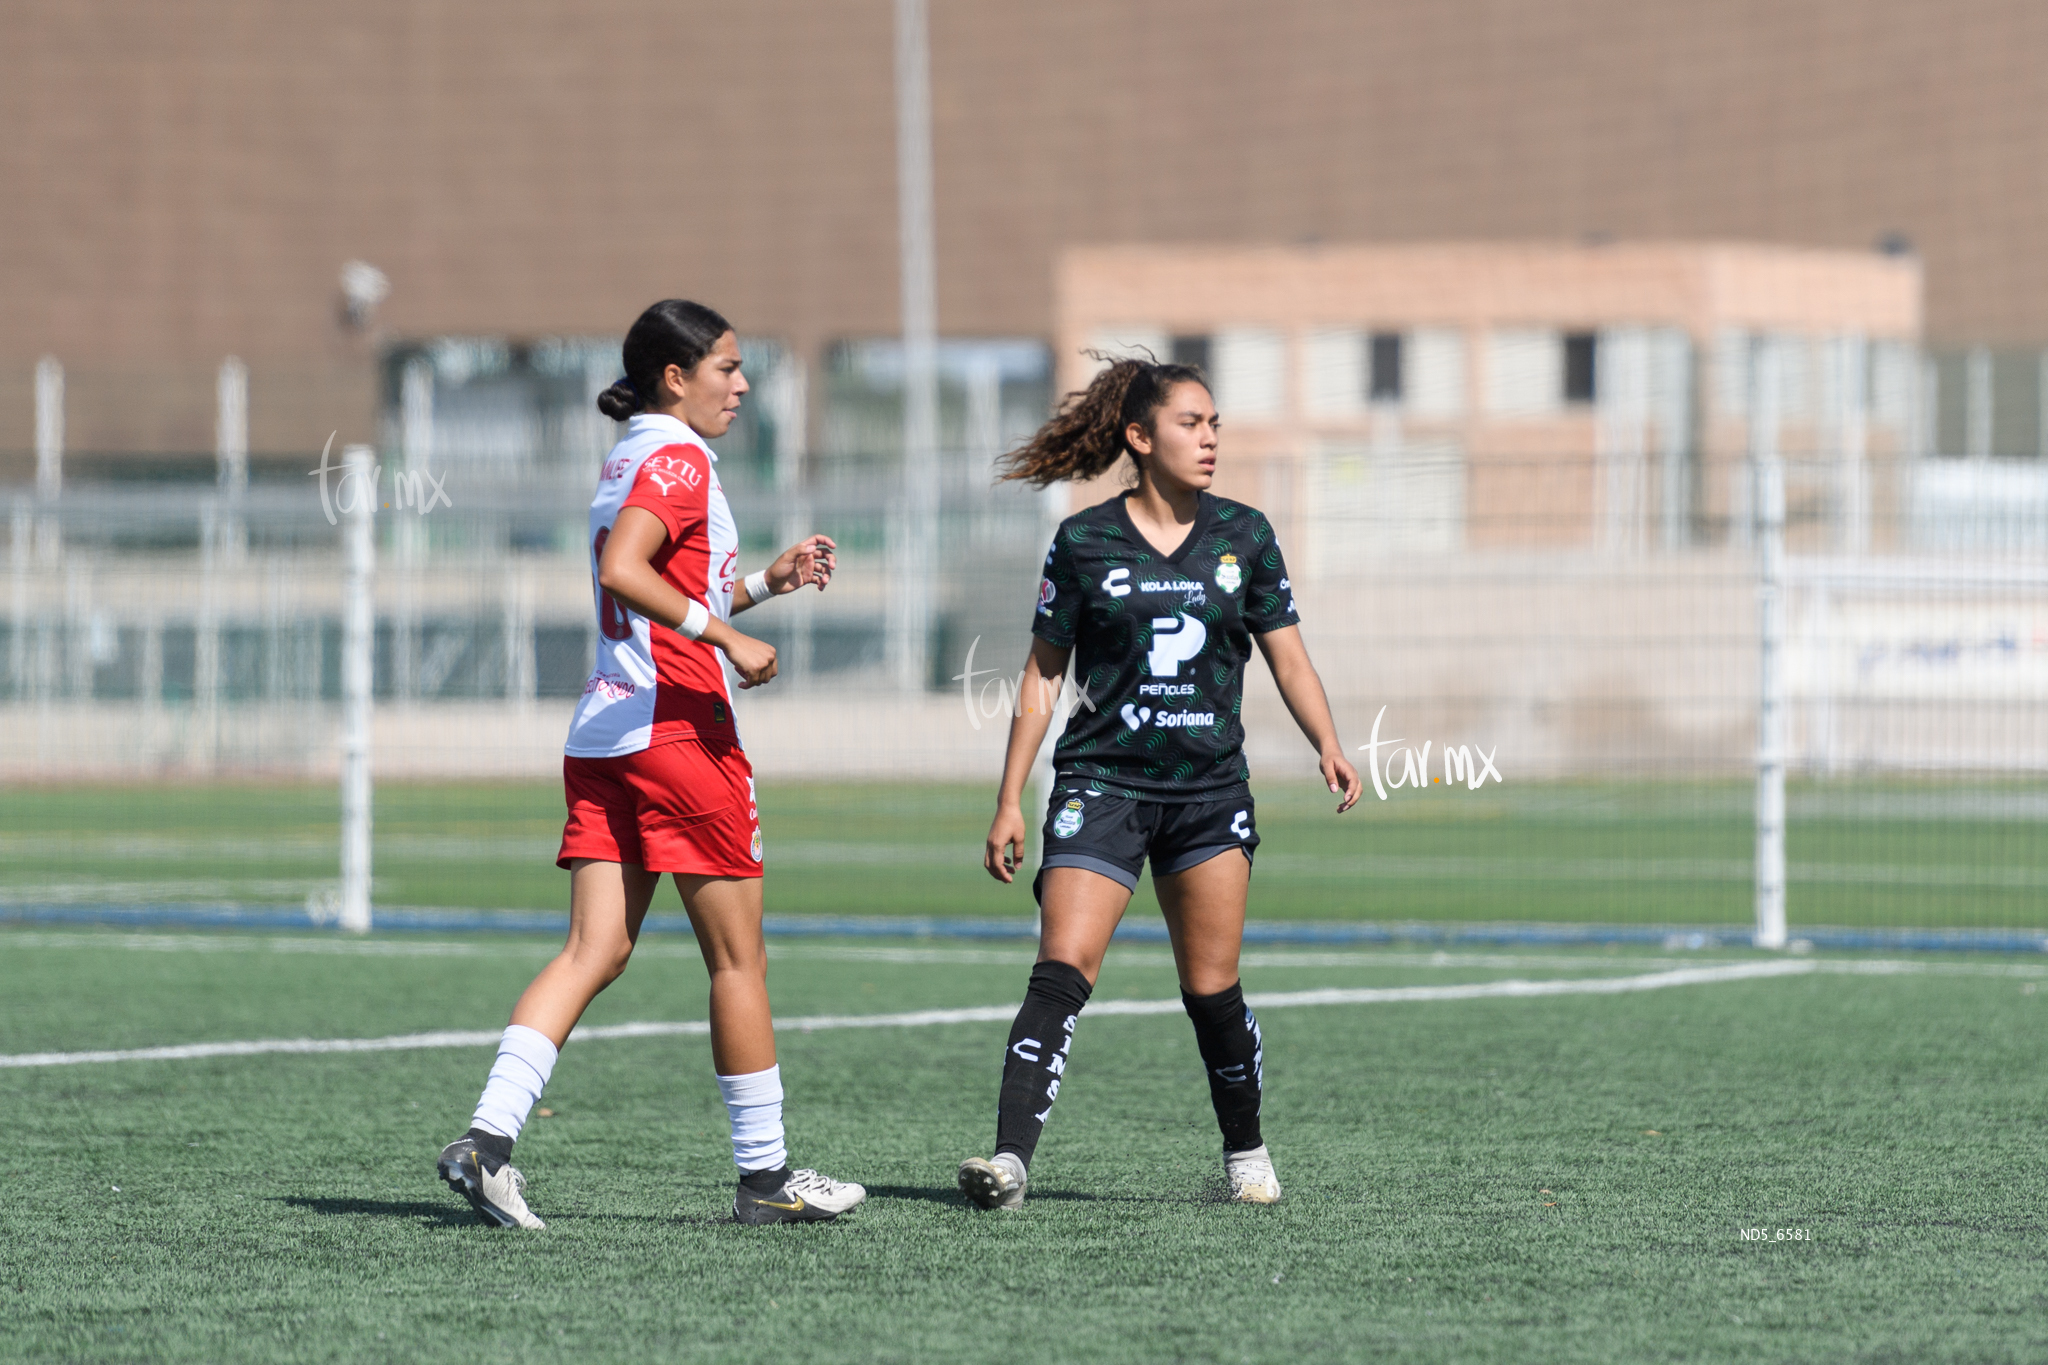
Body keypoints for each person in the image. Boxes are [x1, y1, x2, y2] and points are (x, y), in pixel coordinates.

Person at [437, 299, 865, 1227]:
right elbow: (631, 572)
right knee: (737, 959)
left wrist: (761, 587)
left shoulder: (630, 452)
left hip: (606, 730)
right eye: (726, 367)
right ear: (676, 377)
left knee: (595, 949)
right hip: (678, 734)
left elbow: (660, 589)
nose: (742, 384)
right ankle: (766, 1180)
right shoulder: (676, 455)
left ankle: (487, 1141)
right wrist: (729, 638)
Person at [957, 356, 1363, 1210]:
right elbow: (1040, 676)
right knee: (1061, 964)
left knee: (1211, 989)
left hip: (1209, 793)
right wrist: (1006, 797)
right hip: (1100, 783)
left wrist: (1326, 738)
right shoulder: (1083, 540)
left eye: (1214, 423)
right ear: (1140, 437)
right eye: (1191, 423)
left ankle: (1246, 1150)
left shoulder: (1244, 535)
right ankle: (1008, 1161)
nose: (1209, 438)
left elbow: (1288, 654)